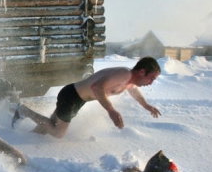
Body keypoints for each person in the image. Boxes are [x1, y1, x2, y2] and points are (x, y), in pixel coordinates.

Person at [12, 56, 162, 138]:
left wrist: (146, 106)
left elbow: (134, 91)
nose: (151, 82)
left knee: (47, 128)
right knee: (58, 133)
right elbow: (96, 87)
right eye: (152, 78)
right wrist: (111, 110)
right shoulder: (124, 74)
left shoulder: (129, 82)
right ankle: (23, 111)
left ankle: (22, 138)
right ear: (142, 72)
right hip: (71, 96)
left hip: (76, 99)